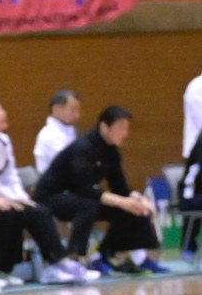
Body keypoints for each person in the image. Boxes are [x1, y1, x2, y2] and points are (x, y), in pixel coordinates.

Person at [0, 97, 88, 284]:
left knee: (38, 211)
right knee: (9, 213)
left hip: (3, 195)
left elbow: (10, 175)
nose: (3, 114)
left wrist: (20, 197)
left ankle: (56, 262)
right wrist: (0, 198)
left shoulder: (4, 140)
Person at [35, 106, 163, 272]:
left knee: (133, 208)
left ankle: (111, 253)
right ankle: (76, 258)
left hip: (77, 196)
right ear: (104, 127)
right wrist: (123, 202)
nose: (125, 133)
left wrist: (138, 199)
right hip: (51, 196)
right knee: (89, 206)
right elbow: (84, 189)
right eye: (120, 128)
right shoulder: (84, 148)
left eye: (126, 128)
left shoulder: (112, 151)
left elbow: (120, 187)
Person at [33, 89, 80, 175]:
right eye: (73, 110)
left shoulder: (72, 130)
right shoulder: (49, 135)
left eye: (78, 110)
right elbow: (68, 165)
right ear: (57, 109)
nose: (77, 115)